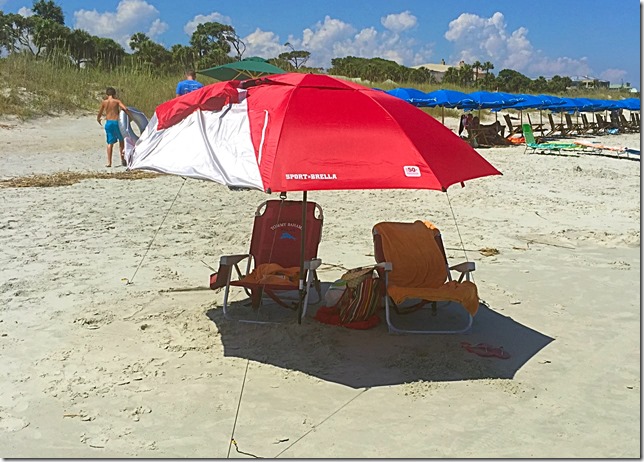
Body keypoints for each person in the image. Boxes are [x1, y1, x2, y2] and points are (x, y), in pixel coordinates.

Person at [97, 87, 131, 167]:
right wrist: (130, 116)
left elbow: (100, 112)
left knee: (110, 143)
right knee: (121, 140)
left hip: (108, 123)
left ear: (106, 94)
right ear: (114, 94)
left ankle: (109, 162)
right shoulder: (117, 101)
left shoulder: (104, 102)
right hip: (116, 122)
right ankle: (123, 159)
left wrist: (98, 119)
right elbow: (125, 108)